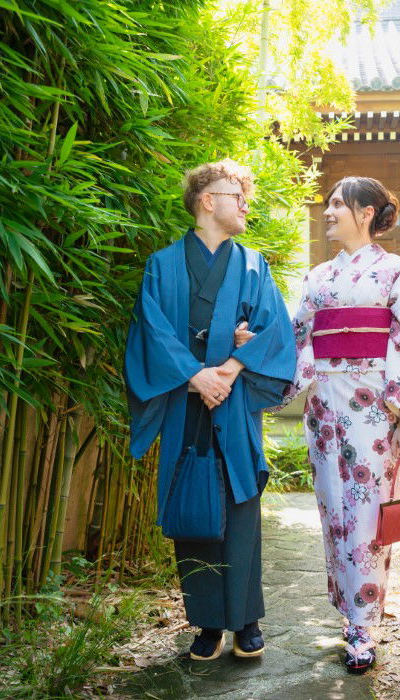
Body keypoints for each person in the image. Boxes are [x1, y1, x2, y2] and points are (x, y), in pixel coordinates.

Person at [251, 176, 400, 673]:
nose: (329, 211)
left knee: (366, 514)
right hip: (325, 411)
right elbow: (296, 338)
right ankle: (348, 610)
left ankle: (364, 625)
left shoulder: (392, 272)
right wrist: (249, 349)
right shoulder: (319, 277)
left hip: (374, 408)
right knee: (334, 509)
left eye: (339, 203)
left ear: (365, 213)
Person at [124, 159, 296, 661]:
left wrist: (233, 367)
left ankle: (246, 619)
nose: (245, 205)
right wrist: (195, 374)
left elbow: (274, 328)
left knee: (241, 507)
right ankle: (205, 623)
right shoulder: (162, 264)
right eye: (236, 195)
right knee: (193, 507)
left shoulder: (253, 264)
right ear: (207, 200)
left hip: (234, 402)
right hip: (185, 402)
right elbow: (151, 329)